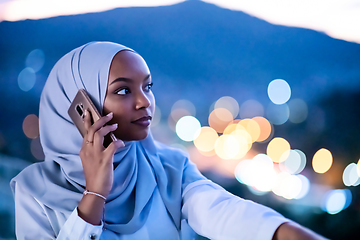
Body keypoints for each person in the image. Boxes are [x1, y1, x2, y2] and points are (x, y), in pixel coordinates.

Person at [11, 41, 326, 240]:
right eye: (124, 90)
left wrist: (285, 233)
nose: (145, 101)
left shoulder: (168, 166)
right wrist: (95, 194)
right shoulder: (34, 193)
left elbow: (219, 209)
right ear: (81, 105)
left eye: (148, 86)